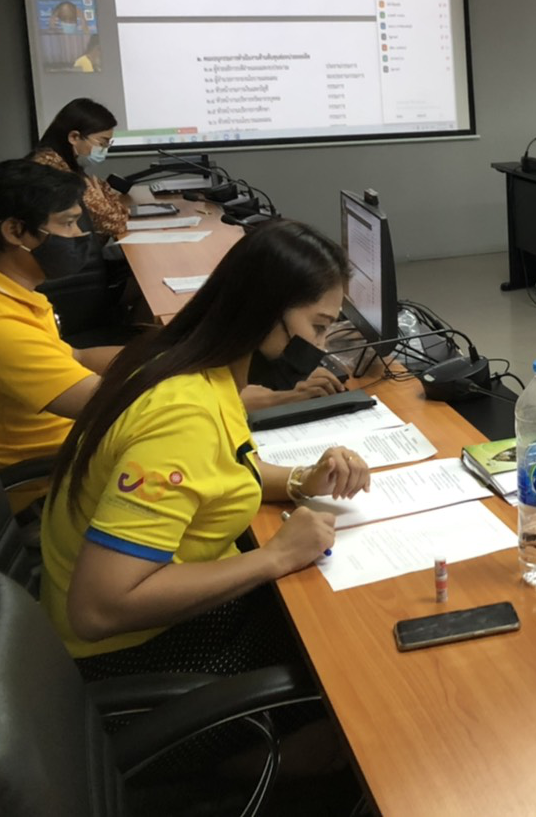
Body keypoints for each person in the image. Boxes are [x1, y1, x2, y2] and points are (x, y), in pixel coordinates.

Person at [40, 219, 372, 678]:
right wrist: (275, 557)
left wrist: (302, 480)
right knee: (351, 654)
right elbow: (97, 610)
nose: (319, 347)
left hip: (154, 613)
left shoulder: (185, 364)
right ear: (264, 312)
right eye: (318, 327)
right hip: (132, 653)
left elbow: (220, 471)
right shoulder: (183, 419)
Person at [0, 161, 118, 510]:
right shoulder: (4, 325)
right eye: (67, 223)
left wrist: (166, 351)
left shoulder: (18, 293)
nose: (79, 234)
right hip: (47, 487)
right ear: (14, 231)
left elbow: (75, 358)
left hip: (75, 451)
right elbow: (105, 405)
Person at [31, 97, 128, 240]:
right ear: (74, 137)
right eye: (102, 143)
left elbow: (120, 210)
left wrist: (105, 203)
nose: (105, 149)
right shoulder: (51, 170)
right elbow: (116, 223)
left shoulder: (69, 165)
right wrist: (104, 204)